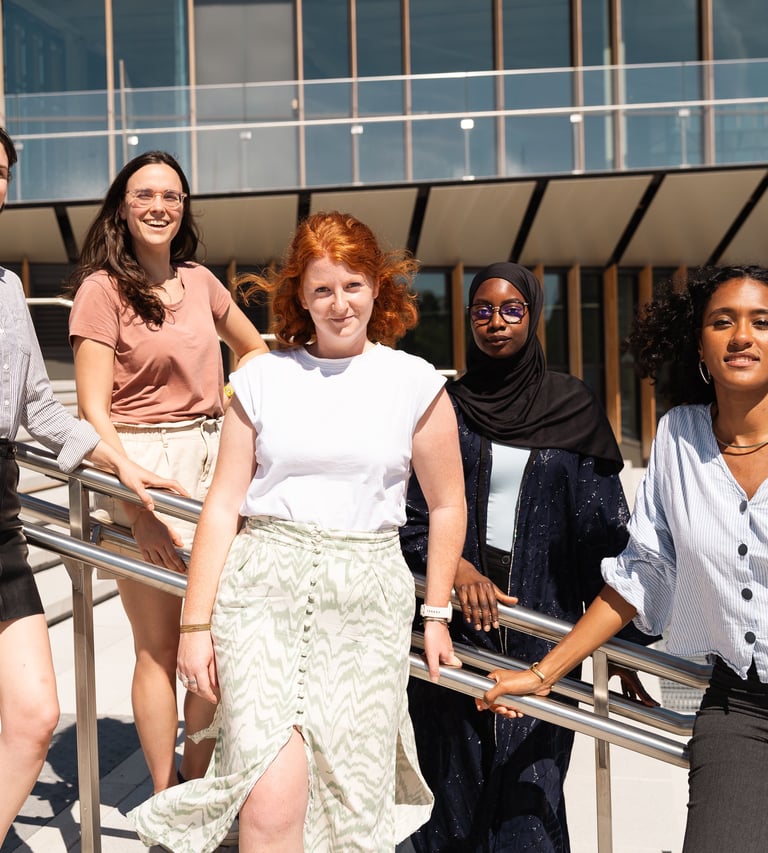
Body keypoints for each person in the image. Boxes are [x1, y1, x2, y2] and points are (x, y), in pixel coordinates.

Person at [127, 211, 467, 853]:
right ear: (300, 297)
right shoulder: (260, 379)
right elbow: (223, 505)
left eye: (353, 285)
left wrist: (437, 613)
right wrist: (196, 625)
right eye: (322, 290)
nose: (339, 304)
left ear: (377, 288)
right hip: (262, 594)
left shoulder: (414, 383)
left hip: (366, 600)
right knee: (268, 801)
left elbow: (448, 505)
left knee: (350, 806)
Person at [478, 264, 768, 853]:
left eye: (762, 322)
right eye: (723, 322)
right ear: (700, 348)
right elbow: (644, 571)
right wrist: (544, 672)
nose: (742, 336)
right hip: (742, 709)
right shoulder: (679, 437)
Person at [401, 262, 658, 852]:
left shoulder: (572, 405)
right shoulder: (447, 407)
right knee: (450, 795)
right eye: (483, 310)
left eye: (512, 309)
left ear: (533, 315)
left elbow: (605, 537)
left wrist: (616, 649)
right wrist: (456, 568)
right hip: (454, 627)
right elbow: (411, 512)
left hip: (546, 626)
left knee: (529, 797)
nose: (496, 322)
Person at [0, 127, 185, 844]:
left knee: (34, 714)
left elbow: (38, 410)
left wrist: (121, 466)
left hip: (1, 517)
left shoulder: (8, 288)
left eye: (3, 171)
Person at [66, 150, 269, 793]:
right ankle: (162, 795)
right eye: (145, 195)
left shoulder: (202, 282)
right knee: (157, 646)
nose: (160, 206)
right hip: (140, 468)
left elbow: (256, 350)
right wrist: (135, 507)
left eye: (172, 197)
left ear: (184, 209)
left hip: (213, 463)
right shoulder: (102, 290)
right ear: (121, 210)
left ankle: (197, 781)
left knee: (216, 637)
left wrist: (236, 410)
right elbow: (92, 410)